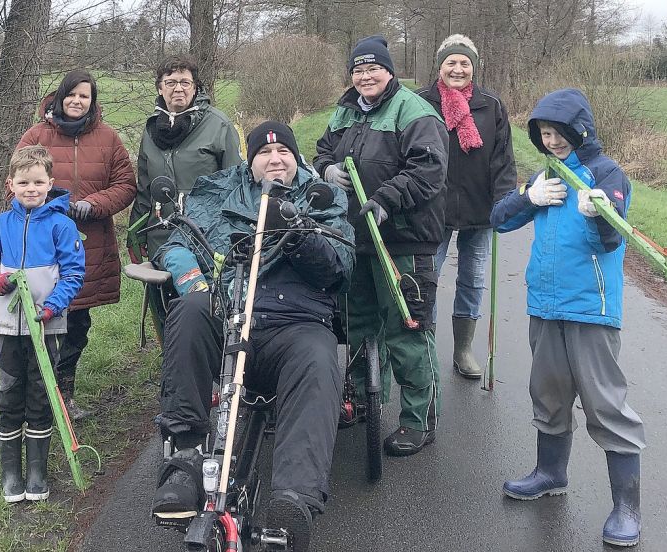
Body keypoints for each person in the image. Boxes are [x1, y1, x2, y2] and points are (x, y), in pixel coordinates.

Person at [150, 121, 354, 551]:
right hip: (228, 310)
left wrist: (300, 235)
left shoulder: (322, 198)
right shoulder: (217, 190)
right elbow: (174, 240)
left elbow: (341, 265)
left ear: (296, 159)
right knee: (188, 311)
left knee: (319, 359)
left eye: (284, 153)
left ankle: (293, 498)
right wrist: (191, 278)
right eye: (265, 153)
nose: (275, 159)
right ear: (251, 159)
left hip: (293, 322)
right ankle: (185, 460)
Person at [490, 88, 646, 547]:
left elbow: (614, 239)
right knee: (549, 394)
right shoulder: (547, 174)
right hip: (545, 304)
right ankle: (549, 472)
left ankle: (626, 506)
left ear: (580, 130)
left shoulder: (605, 172)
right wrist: (529, 196)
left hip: (591, 309)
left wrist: (600, 213)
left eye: (558, 133)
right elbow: (498, 220)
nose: (552, 141)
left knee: (605, 404)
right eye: (544, 134)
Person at [314, 35, 448, 457]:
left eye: (373, 69)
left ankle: (417, 420)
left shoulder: (415, 111)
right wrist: (326, 168)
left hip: (402, 240)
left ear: (389, 71)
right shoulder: (345, 110)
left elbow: (429, 169)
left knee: (407, 330)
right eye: (358, 70)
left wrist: (387, 199)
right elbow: (321, 150)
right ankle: (358, 397)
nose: (365, 76)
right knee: (359, 325)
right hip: (355, 238)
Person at [16, 69, 136, 421]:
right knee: (42, 322)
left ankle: (64, 393)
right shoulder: (37, 135)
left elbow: (126, 183)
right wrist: (51, 205)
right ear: (59, 96)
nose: (76, 101)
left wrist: (94, 204)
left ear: (92, 102)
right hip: (42, 245)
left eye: (84, 96)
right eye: (71, 94)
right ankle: (37, 394)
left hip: (88, 246)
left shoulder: (108, 138)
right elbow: (16, 181)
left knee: (77, 323)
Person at [0, 145, 86, 503]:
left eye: (38, 182)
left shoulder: (61, 225)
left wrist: (53, 306)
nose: (31, 189)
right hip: (7, 324)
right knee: (9, 390)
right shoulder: (1, 224)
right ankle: (11, 473)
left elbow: (73, 273)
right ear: (11, 184)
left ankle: (37, 470)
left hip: (45, 325)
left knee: (41, 391)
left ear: (50, 183)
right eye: (24, 182)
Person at [417, 34, 517, 379]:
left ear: (473, 67)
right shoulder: (420, 102)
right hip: (432, 209)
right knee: (426, 278)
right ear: (440, 65)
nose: (457, 69)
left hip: (480, 207)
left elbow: (504, 160)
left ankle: (463, 350)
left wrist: (504, 202)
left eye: (464, 63)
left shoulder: (491, 105)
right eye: (451, 62)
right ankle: (422, 348)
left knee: (473, 279)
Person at [127, 55, 242, 338]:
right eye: (170, 82)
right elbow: (144, 185)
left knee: (204, 299)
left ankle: (213, 358)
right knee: (165, 302)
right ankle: (172, 360)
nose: (178, 88)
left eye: (184, 82)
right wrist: (136, 233)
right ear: (160, 88)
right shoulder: (150, 128)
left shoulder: (218, 125)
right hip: (160, 231)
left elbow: (236, 182)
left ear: (195, 88)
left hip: (206, 233)